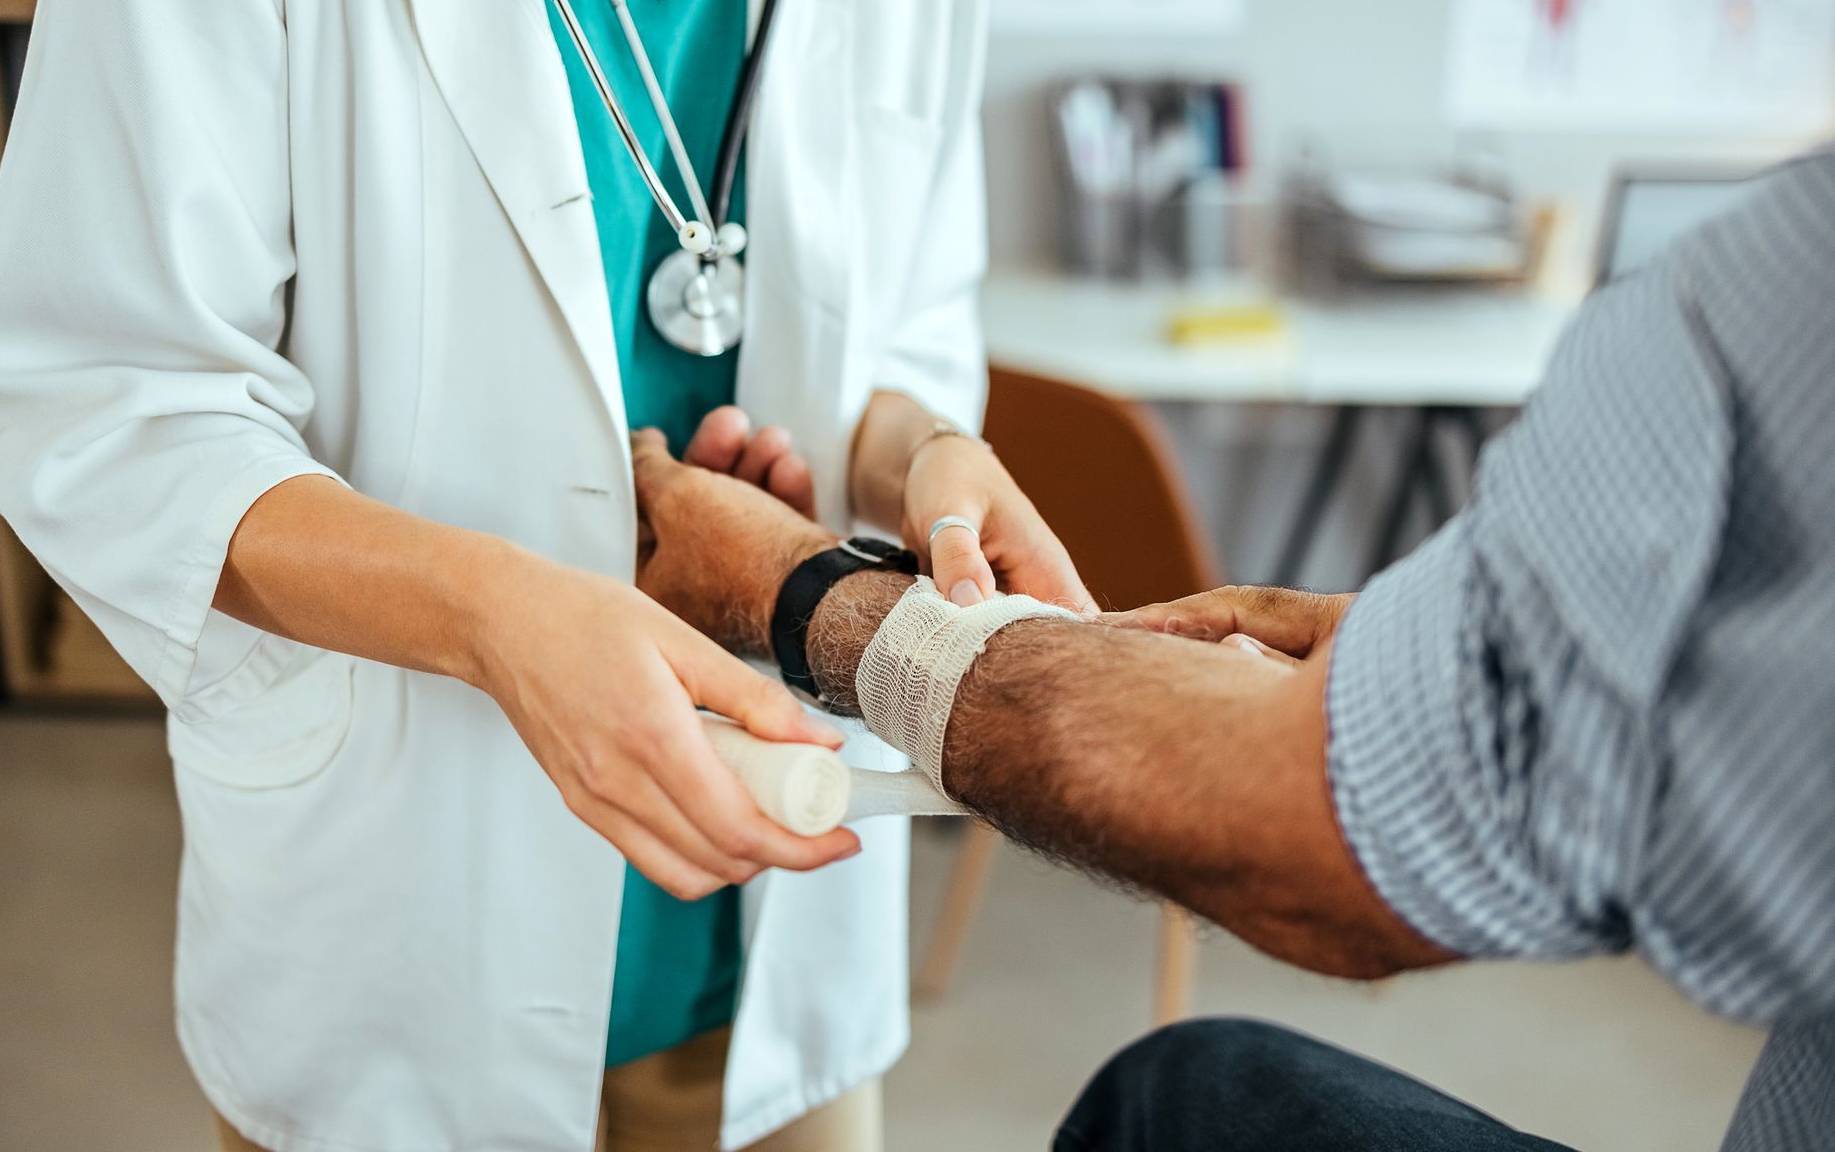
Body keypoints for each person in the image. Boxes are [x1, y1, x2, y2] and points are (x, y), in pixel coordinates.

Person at [0, 0, 1090, 1149]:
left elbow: (902, 331)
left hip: (772, 898)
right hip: (404, 904)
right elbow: (111, 400)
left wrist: (923, 449)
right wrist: (498, 616)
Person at [628, 146, 1835, 1151]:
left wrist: (793, 587)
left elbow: (1342, 839)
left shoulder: (1783, 312)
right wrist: (1418, 649)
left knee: (1174, 1107)